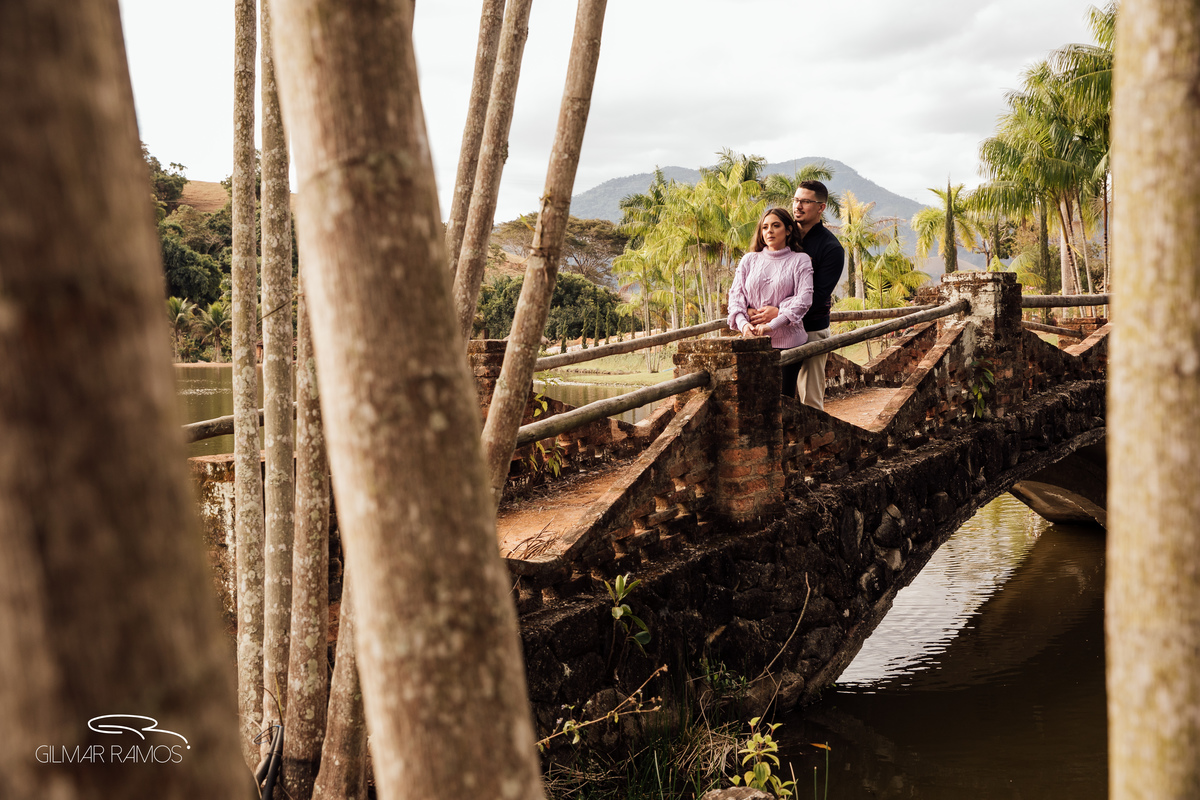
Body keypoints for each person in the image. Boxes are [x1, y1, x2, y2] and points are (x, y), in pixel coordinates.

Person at [727, 207, 813, 398]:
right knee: (753, 400)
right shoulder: (749, 260)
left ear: (788, 230)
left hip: (788, 345)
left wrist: (773, 322)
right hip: (753, 342)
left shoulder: (800, 260)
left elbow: (804, 299)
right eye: (765, 227)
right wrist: (744, 325)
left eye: (776, 226)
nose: (769, 231)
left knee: (782, 400)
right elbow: (736, 297)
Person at [791, 180, 846, 410]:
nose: (798, 206)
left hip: (812, 328)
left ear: (821, 207)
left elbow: (820, 294)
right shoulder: (783, 237)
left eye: (805, 201)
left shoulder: (831, 247)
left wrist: (782, 313)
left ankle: (813, 445)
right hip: (779, 330)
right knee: (781, 395)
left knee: (811, 400)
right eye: (796, 200)